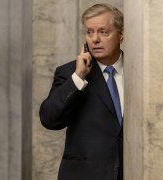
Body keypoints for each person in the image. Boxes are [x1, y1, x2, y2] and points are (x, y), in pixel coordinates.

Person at [39, 3, 124, 180]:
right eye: (89, 32)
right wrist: (78, 78)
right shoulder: (70, 73)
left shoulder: (141, 72)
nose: (95, 39)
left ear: (121, 35)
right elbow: (49, 119)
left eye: (103, 32)